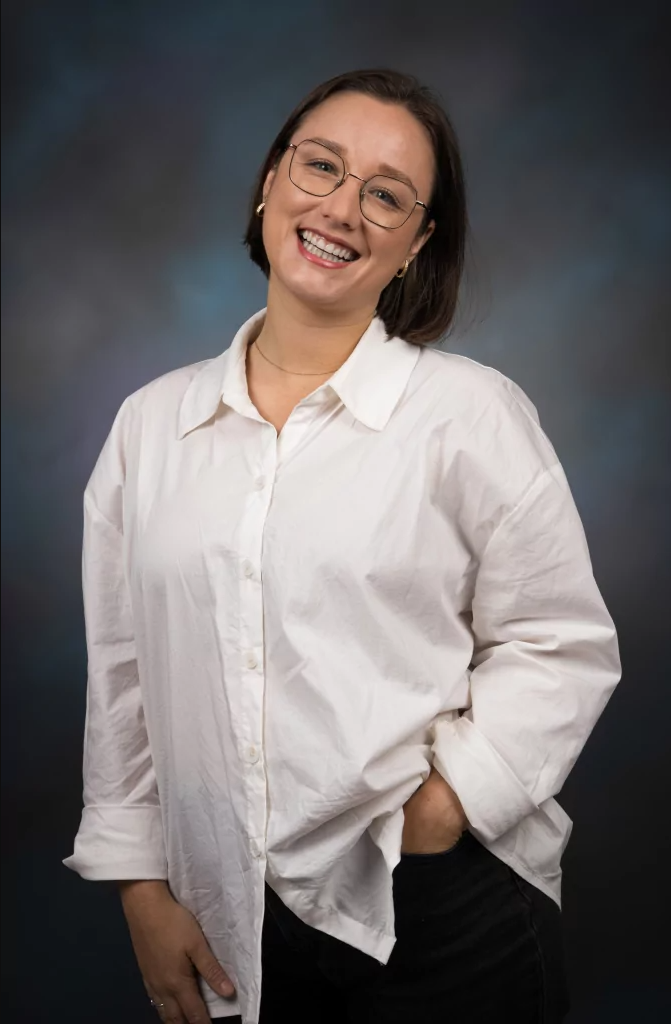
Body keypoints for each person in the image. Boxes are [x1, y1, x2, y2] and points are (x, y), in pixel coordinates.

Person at [64, 68, 621, 1024]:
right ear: (269, 184)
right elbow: (124, 676)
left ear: (416, 243)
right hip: (226, 915)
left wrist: (443, 809)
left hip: (443, 913)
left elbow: (560, 643)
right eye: (320, 167)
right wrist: (139, 888)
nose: (341, 209)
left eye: (386, 194)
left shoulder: (469, 416)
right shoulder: (149, 427)